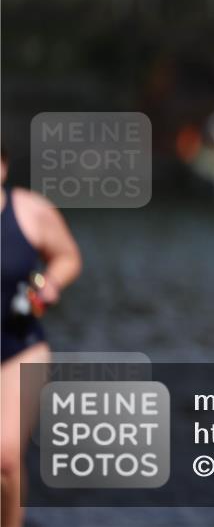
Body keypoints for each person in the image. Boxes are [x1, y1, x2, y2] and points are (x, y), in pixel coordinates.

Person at [1, 146, 82, 527]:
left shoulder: (31, 211)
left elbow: (67, 256)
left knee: (5, 459)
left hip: (18, 348)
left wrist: (50, 284)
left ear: (2, 166)